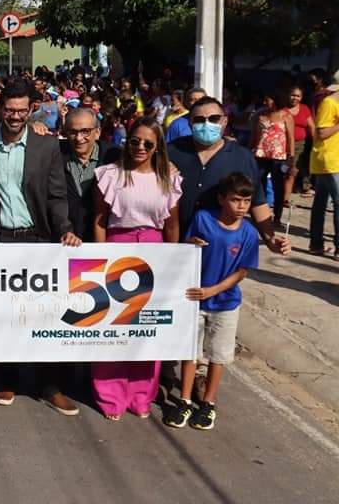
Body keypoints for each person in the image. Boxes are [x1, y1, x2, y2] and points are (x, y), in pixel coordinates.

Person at [0, 82, 82, 415]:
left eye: (23, 110)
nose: (16, 116)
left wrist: (64, 229)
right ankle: (6, 377)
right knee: (4, 314)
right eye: (10, 110)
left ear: (31, 108)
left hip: (37, 238)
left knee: (43, 315)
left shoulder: (45, 147)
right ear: (0, 107)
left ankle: (49, 384)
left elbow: (56, 195)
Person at [91, 118, 182, 420]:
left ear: (158, 147)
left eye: (147, 143)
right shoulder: (111, 175)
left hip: (154, 251)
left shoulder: (168, 177)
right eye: (134, 141)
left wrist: (172, 264)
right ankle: (110, 394)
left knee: (146, 328)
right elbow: (100, 220)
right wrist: (101, 257)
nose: (140, 147)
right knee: (113, 327)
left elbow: (172, 225)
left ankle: (142, 394)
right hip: (117, 248)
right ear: (126, 142)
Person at [165, 172, 260, 430]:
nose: (241, 207)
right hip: (194, 298)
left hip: (226, 303)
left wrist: (214, 290)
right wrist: (190, 243)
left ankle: (208, 403)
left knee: (217, 355)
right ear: (221, 199)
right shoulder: (203, 218)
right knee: (190, 352)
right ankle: (184, 400)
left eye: (246, 201)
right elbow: (187, 246)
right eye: (235, 200)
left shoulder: (249, 234)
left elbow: (243, 271)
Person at [169, 97, 291, 256]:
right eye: (199, 120)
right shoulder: (172, 151)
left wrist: (270, 239)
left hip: (219, 249)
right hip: (175, 244)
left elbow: (257, 202)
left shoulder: (242, 157)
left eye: (214, 119)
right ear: (190, 123)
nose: (207, 124)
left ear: (225, 121)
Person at [59, 107, 119, 242]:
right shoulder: (55, 154)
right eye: (73, 132)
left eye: (85, 131)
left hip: (105, 241)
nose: (79, 138)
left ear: (97, 132)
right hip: (65, 242)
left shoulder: (115, 156)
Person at [250, 90, 294, 226]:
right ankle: (260, 214)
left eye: (268, 100)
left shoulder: (286, 116)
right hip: (261, 154)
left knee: (278, 186)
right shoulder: (261, 115)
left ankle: (277, 216)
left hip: (278, 156)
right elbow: (255, 135)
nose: (265, 102)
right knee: (258, 184)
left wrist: (291, 156)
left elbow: (290, 137)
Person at [309, 84, 339, 258]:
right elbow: (322, 132)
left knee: (320, 202)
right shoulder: (329, 103)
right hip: (329, 160)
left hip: (332, 159)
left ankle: (316, 243)